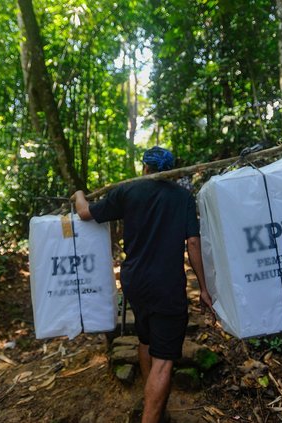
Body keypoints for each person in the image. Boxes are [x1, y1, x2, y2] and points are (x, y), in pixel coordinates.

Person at [70, 146, 214, 423]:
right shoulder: (182, 197)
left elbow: (85, 213)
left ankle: (153, 406)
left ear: (145, 168)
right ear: (171, 171)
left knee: (146, 341)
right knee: (164, 361)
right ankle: (152, 414)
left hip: (134, 282)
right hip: (167, 286)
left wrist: (78, 194)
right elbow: (193, 242)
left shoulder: (127, 192)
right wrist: (204, 288)